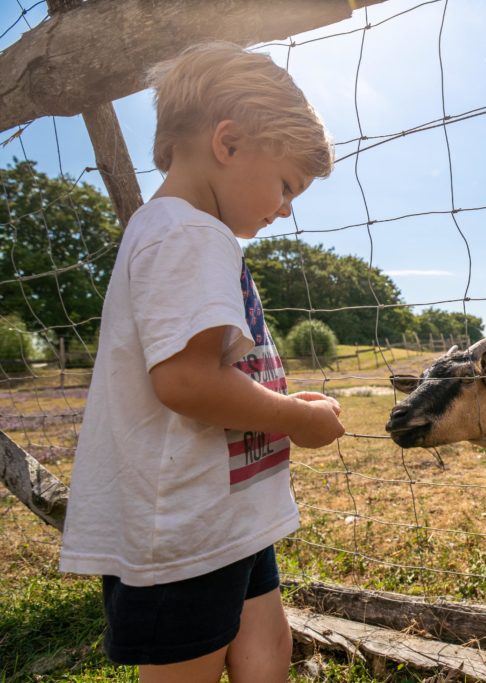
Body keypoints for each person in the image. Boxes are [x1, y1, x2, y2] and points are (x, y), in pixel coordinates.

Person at [59, 41, 346, 682]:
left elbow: (209, 370)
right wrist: (292, 421)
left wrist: (278, 409)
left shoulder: (180, 232)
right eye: (286, 185)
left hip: (224, 513)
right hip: (185, 533)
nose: (285, 209)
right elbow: (186, 381)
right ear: (229, 142)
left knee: (266, 646)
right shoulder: (188, 234)